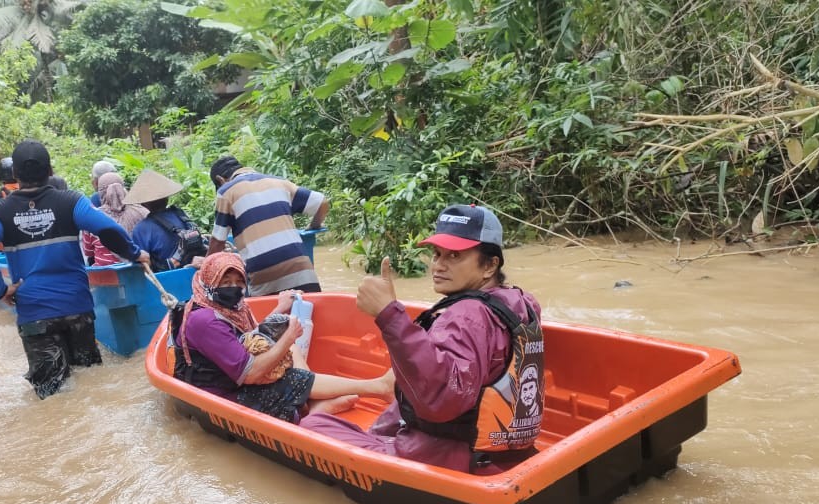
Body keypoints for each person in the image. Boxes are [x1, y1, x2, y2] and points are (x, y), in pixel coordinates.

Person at [300, 204, 545, 475]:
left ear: (489, 265)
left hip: (446, 461)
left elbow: (439, 400)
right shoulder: (522, 303)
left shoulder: (467, 314)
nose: (439, 265)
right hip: (500, 455)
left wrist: (388, 314)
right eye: (437, 254)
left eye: (455, 256)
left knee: (313, 425)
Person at [0, 139, 150, 399]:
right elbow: (108, 229)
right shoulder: (70, 202)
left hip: (34, 313)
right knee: (92, 389)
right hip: (77, 308)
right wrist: (135, 253)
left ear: (15, 174)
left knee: (51, 395)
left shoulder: (0, 211)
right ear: (50, 170)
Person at [172, 252, 393, 423]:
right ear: (210, 283)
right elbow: (249, 373)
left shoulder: (229, 309)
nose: (234, 288)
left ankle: (312, 403)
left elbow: (253, 337)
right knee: (291, 372)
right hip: (221, 396)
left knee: (289, 350)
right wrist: (288, 337)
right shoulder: (205, 321)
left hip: (233, 380)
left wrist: (280, 310)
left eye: (239, 283)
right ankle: (376, 388)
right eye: (226, 282)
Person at [206, 155, 329, 295]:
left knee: (268, 316)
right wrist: (314, 225)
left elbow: (217, 243)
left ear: (220, 180)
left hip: (263, 278)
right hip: (301, 269)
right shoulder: (279, 182)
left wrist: (204, 268)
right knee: (308, 313)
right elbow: (322, 203)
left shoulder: (226, 191)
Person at [127, 169, 207, 272]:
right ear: (167, 197)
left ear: (143, 203)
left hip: (168, 278)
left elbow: (141, 266)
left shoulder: (141, 229)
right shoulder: (180, 215)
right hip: (198, 269)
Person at [81, 171, 148, 266]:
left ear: (100, 192)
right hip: (137, 269)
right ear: (123, 188)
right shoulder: (141, 211)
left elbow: (88, 252)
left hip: (105, 273)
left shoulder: (92, 217)